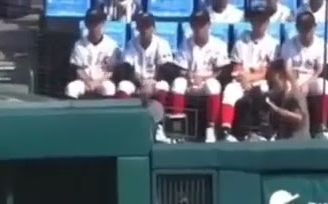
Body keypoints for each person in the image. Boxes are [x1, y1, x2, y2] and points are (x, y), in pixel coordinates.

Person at [170, 10, 230, 142]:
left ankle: (210, 128)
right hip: (190, 80)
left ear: (209, 25)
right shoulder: (186, 43)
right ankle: (177, 129)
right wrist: (188, 74)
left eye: (202, 25)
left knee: (214, 86)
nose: (199, 29)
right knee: (177, 84)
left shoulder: (218, 44)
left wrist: (205, 78)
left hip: (207, 80)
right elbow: (179, 68)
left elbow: (223, 70)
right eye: (195, 25)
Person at [117, 12, 176, 142]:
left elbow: (167, 69)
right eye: (141, 26)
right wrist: (140, 83)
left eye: (147, 26)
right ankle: (125, 125)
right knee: (123, 86)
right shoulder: (132, 43)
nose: (144, 30)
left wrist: (152, 83)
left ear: (153, 28)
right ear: (137, 28)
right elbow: (126, 68)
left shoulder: (162, 43)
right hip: (137, 82)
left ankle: (159, 125)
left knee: (163, 86)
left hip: (155, 81)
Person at [222, 8, 280, 140]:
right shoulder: (241, 41)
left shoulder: (273, 44)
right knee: (230, 90)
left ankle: (263, 131)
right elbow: (236, 66)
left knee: (263, 90)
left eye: (263, 21)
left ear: (267, 23)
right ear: (252, 22)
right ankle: (226, 130)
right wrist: (244, 79)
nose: (260, 24)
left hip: (261, 80)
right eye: (257, 20)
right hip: (241, 79)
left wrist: (251, 78)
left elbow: (270, 71)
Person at [280, 10, 328, 138]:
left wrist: (307, 84)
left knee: (324, 86)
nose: (306, 32)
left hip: (311, 77)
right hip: (295, 77)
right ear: (297, 28)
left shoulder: (322, 44)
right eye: (302, 28)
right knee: (286, 88)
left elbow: (319, 69)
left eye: (308, 28)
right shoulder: (289, 44)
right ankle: (286, 130)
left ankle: (322, 127)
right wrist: (295, 86)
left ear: (314, 27)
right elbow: (288, 69)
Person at [65, 9, 121, 99]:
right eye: (91, 22)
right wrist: (88, 82)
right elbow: (79, 69)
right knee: (71, 88)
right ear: (87, 24)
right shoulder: (79, 44)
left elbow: (110, 71)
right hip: (84, 81)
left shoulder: (111, 44)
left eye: (97, 22)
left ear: (103, 24)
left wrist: (97, 82)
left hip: (103, 81)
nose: (94, 26)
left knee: (109, 88)